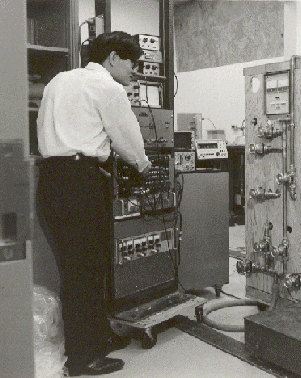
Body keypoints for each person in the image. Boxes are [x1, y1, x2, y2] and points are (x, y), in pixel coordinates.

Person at [36, 31, 151, 376]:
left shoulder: (59, 80)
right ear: (114, 58)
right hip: (81, 183)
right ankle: (84, 358)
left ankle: (98, 338)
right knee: (85, 272)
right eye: (132, 62)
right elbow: (127, 136)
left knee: (79, 268)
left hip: (51, 181)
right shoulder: (109, 88)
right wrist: (144, 167)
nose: (135, 70)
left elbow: (44, 125)